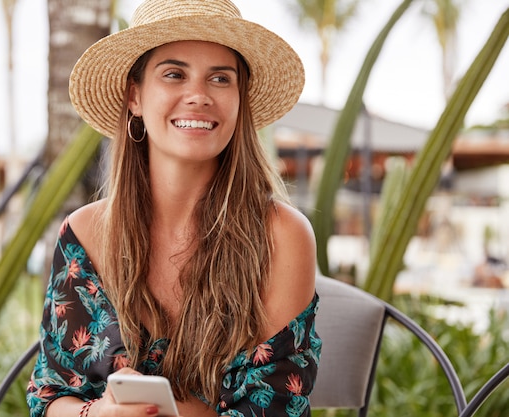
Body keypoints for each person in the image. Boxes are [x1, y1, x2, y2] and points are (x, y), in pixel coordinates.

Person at [26, 0, 321, 416]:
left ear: (240, 100)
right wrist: (98, 414)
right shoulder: (84, 234)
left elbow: (275, 408)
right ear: (135, 95)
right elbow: (50, 396)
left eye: (221, 78)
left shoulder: (282, 237)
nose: (198, 95)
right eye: (174, 74)